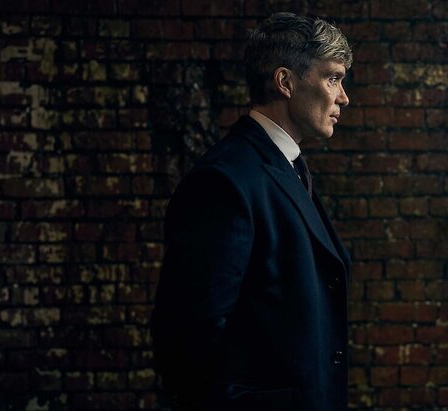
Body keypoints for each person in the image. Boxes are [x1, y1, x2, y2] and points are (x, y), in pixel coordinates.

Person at [150, 12, 353, 411]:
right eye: (332, 78)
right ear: (285, 82)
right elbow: (189, 339)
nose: (343, 97)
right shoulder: (225, 181)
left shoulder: (287, 166)